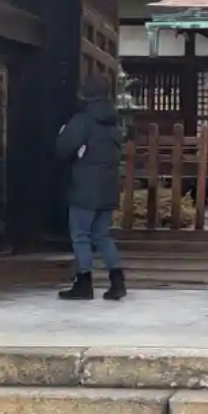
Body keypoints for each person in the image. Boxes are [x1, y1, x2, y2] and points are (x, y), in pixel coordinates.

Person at [56, 75, 127, 301]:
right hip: (108, 186)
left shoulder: (83, 120)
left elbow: (64, 148)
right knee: (102, 234)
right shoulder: (115, 123)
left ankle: (83, 283)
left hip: (84, 186)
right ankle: (117, 280)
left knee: (80, 235)